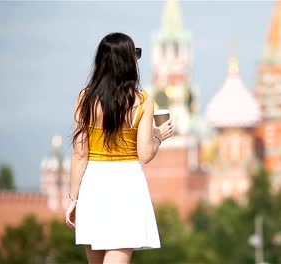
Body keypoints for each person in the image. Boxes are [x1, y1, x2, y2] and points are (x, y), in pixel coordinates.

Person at [65, 32, 173, 264]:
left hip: (93, 185)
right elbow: (144, 154)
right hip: (127, 187)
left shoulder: (85, 99)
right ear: (128, 62)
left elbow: (80, 153)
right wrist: (159, 136)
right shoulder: (142, 100)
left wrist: (73, 198)